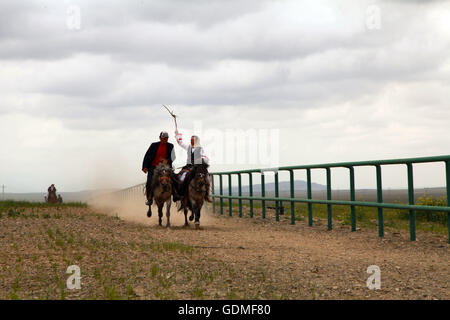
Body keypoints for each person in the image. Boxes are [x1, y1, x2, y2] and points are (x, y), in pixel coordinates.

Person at [173, 129, 212, 202]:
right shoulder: (188, 147)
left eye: (192, 140)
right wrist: (177, 134)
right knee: (181, 177)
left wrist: (201, 159)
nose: (191, 141)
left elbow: (205, 157)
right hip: (188, 167)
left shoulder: (200, 149)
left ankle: (207, 195)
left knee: (208, 178)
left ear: (196, 141)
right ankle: (179, 194)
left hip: (198, 167)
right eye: (191, 140)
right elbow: (180, 143)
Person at [142, 131, 176, 208]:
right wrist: (145, 167)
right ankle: (149, 199)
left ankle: (175, 196)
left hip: (165, 167)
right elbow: (147, 156)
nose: (165, 139)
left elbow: (173, 157)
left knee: (174, 179)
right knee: (149, 182)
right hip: (154, 167)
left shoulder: (170, 146)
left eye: (166, 138)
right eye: (163, 138)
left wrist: (167, 161)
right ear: (160, 138)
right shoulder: (154, 145)